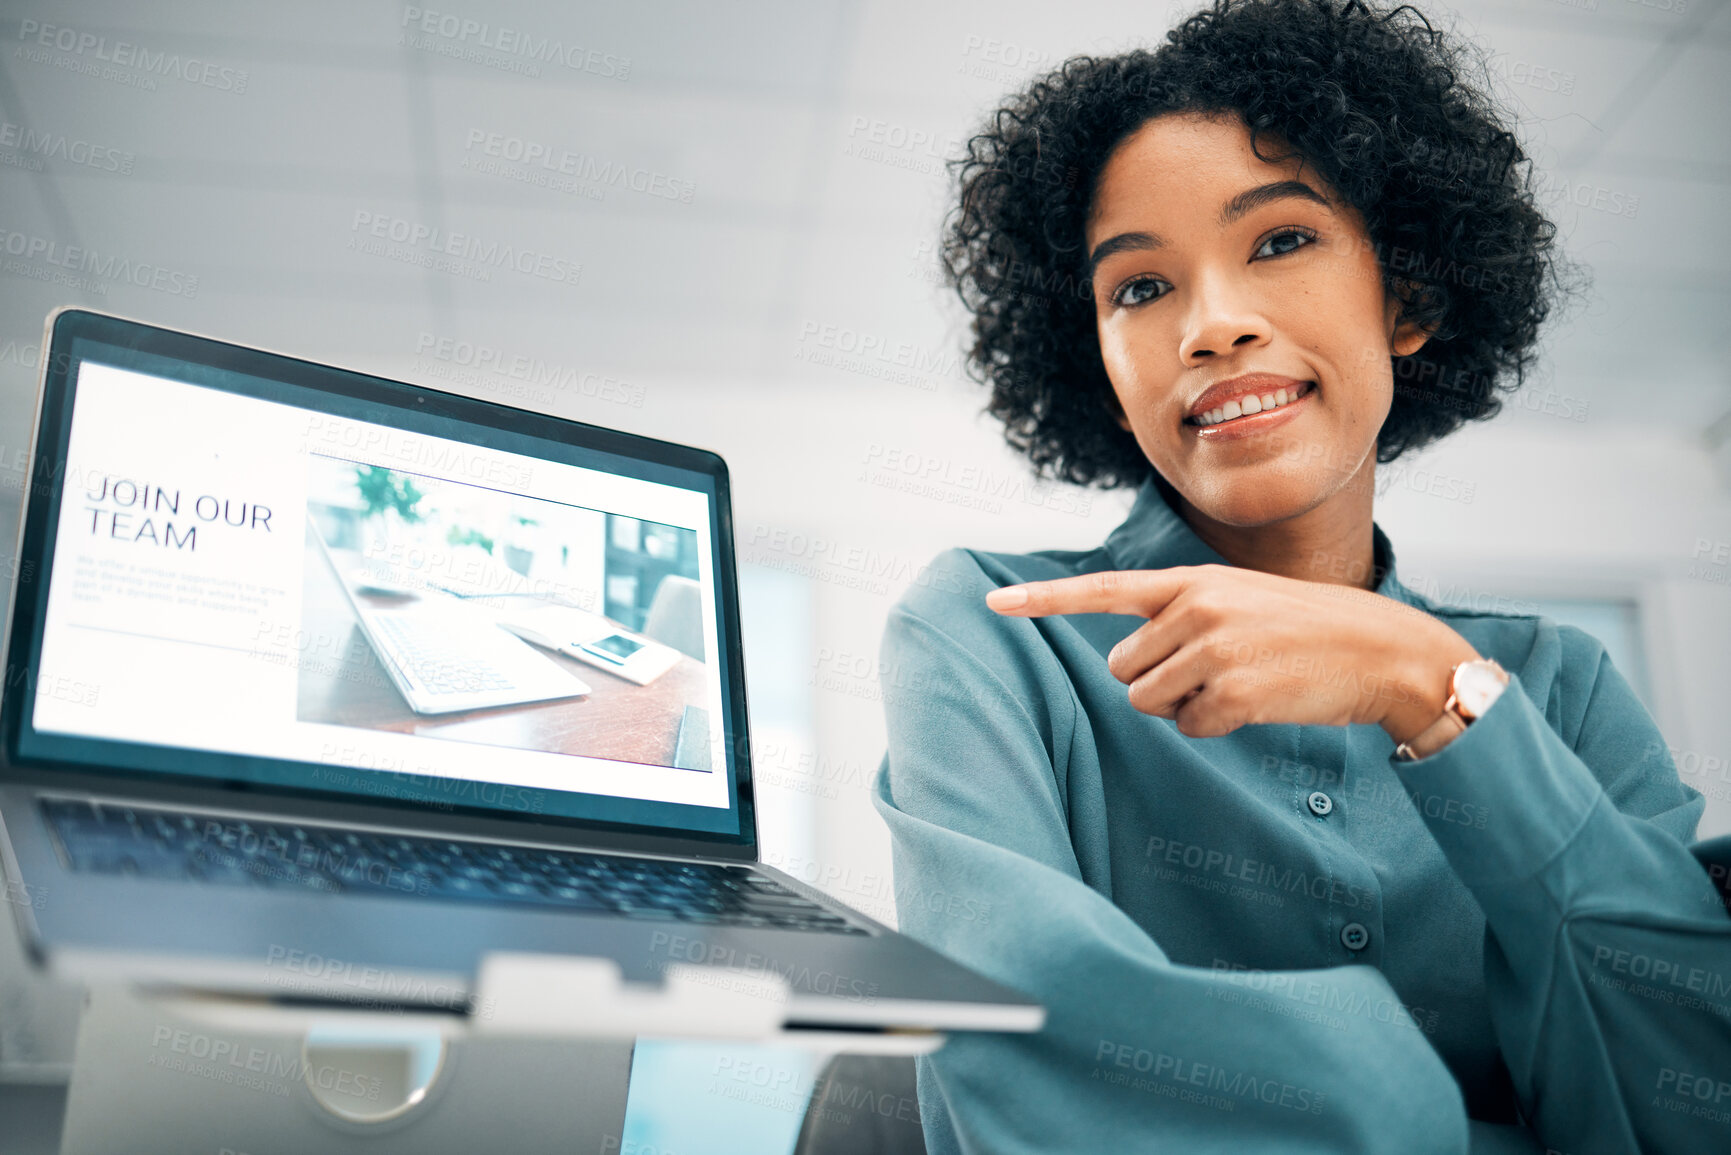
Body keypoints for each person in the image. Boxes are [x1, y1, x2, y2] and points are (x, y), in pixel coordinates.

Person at [869, 2, 1731, 1152]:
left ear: (1409, 297)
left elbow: (1690, 1090)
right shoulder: (993, 637)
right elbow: (1031, 1058)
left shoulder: (1557, 690)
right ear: (1104, 369)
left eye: (1279, 241)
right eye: (1139, 288)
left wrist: (1430, 688)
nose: (1211, 328)